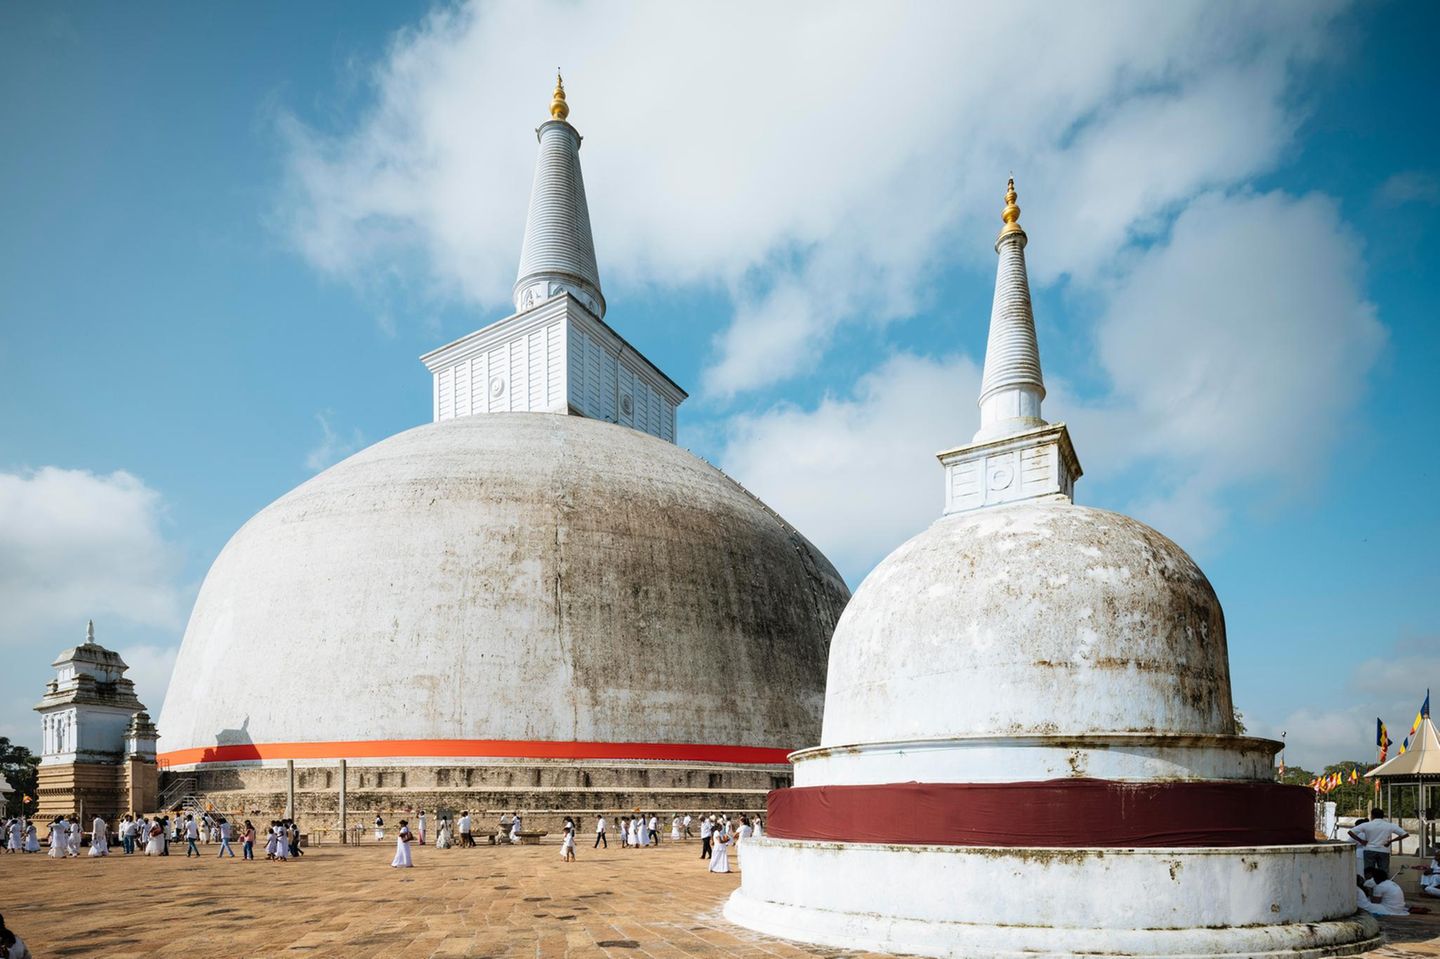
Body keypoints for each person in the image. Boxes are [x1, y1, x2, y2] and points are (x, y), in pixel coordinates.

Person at [1349, 808, 1408, 876]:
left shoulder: (1366, 825)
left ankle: (1369, 885)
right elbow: (1405, 834)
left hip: (1369, 850)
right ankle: (1383, 884)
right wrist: (1391, 841)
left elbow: (1350, 832)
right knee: (1383, 872)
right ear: (1382, 816)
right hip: (1384, 850)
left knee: (1369, 872)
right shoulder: (1390, 825)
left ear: (1372, 816)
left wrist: (1361, 841)